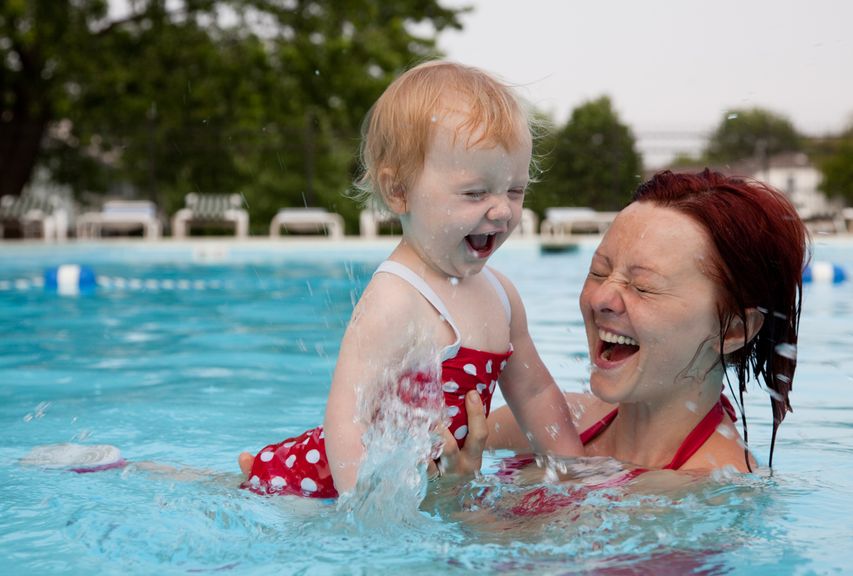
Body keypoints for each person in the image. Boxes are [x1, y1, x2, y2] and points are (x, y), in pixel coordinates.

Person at [237, 60, 584, 498]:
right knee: (229, 489)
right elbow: (347, 418)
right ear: (399, 190)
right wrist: (365, 518)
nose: (501, 210)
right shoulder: (395, 298)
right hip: (320, 487)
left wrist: (578, 479)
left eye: (514, 190)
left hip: (426, 485)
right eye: (476, 193)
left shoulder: (502, 296)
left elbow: (535, 393)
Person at [486, 169, 809, 480]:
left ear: (733, 329)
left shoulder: (712, 494)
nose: (601, 298)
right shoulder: (550, 423)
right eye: (599, 271)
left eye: (643, 287)